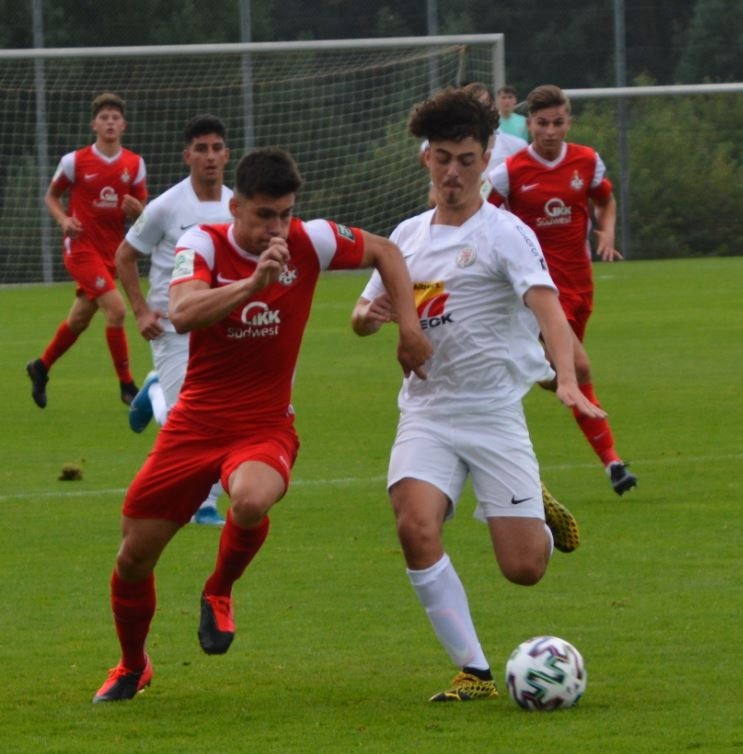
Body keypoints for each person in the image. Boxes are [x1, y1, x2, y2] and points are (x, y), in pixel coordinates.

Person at [91, 147, 432, 703]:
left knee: (250, 499)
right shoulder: (201, 243)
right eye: (264, 215)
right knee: (133, 557)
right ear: (236, 207)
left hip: (264, 424)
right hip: (194, 423)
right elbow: (183, 312)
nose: (277, 228)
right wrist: (253, 284)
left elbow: (388, 252)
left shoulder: (311, 240)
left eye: (285, 214)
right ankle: (133, 665)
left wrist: (410, 330)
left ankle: (219, 590)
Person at [351, 88, 604, 702]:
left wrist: (568, 381)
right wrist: (370, 315)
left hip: (492, 414)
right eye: (443, 159)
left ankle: (537, 515)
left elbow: (549, 310)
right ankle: (475, 671)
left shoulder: (506, 233)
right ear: (426, 159)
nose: (454, 173)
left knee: (524, 569)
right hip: (427, 412)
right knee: (415, 527)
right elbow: (360, 316)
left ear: (487, 158)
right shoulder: (406, 237)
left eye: (467, 160)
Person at [487, 84, 637, 496]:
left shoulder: (587, 161)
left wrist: (606, 231)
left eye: (557, 123)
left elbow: (605, 201)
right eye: (542, 123)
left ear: (568, 122)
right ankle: (612, 462)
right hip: (539, 291)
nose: (550, 131)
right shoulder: (510, 172)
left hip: (580, 284)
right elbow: (482, 219)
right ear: (529, 124)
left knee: (563, 375)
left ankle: (538, 367)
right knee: (580, 368)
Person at [115, 114, 233, 526]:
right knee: (187, 417)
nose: (210, 156)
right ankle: (203, 504)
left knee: (225, 412)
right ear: (187, 156)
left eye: (216, 148)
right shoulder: (165, 206)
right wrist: (141, 310)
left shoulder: (236, 206)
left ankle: (206, 501)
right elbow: (124, 256)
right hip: (171, 326)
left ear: (226, 154)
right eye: (201, 149)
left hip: (220, 325)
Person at [26, 92, 147, 408]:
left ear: (124, 125)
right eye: (104, 117)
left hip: (111, 252)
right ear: (94, 124)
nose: (110, 122)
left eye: (115, 117)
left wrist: (138, 210)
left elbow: (142, 209)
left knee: (79, 320)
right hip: (80, 248)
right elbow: (51, 197)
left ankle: (41, 367)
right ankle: (127, 386)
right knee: (117, 310)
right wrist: (64, 220)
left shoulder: (135, 165)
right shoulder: (74, 161)